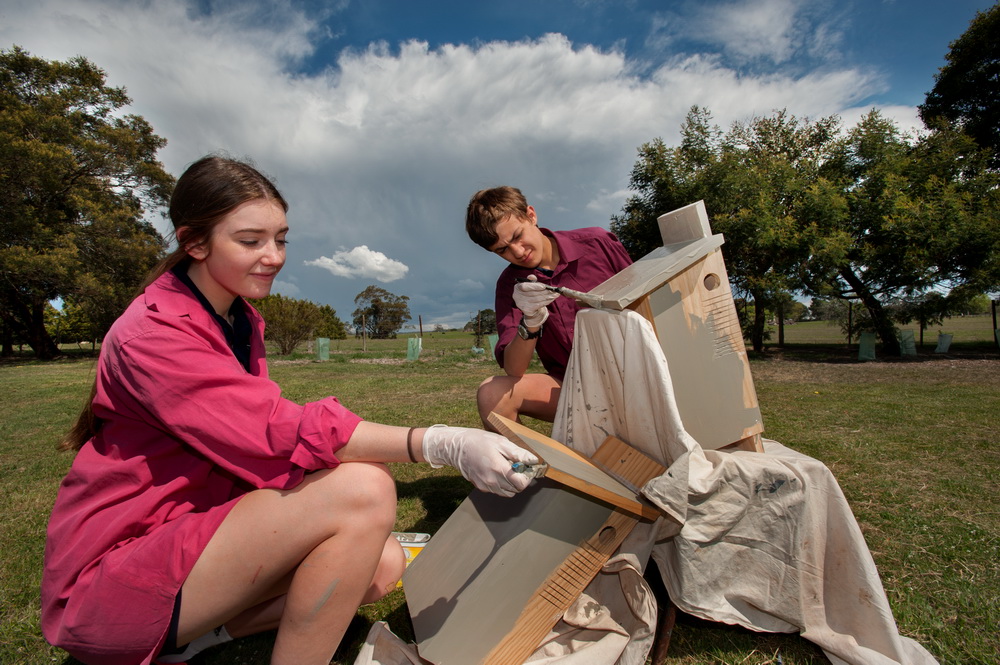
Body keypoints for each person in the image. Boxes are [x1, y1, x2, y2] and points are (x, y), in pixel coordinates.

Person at [41, 156, 539, 665]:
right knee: (364, 492)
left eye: (281, 238)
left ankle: (201, 637)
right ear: (194, 242)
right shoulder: (154, 333)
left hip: (193, 532)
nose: (274, 256)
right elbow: (272, 430)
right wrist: (440, 442)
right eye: (251, 240)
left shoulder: (240, 317)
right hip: (115, 579)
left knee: (381, 564)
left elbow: (260, 437)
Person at [465, 186, 633, 431]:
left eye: (517, 236)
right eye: (502, 250)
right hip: (574, 387)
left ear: (531, 215)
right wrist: (529, 321)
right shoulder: (510, 287)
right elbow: (514, 368)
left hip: (635, 372)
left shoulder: (598, 243)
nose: (518, 252)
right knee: (492, 394)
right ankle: (531, 468)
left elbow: (646, 302)